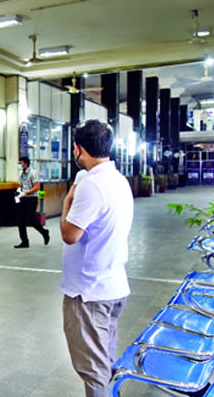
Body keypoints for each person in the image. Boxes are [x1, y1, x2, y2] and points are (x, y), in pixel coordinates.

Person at [60, 120, 134, 397]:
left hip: (89, 292)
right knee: (103, 360)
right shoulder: (119, 180)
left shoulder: (91, 185)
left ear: (79, 148)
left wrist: (67, 203)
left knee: (94, 371)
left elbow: (70, 234)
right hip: (112, 284)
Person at [14, 156, 49, 248]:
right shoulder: (21, 174)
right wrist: (18, 191)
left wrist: (26, 193)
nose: (19, 165)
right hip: (22, 198)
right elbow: (20, 185)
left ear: (26, 164)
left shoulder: (33, 173)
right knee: (20, 220)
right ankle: (24, 241)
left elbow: (37, 187)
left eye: (20, 163)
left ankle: (44, 232)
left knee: (31, 219)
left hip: (31, 199)